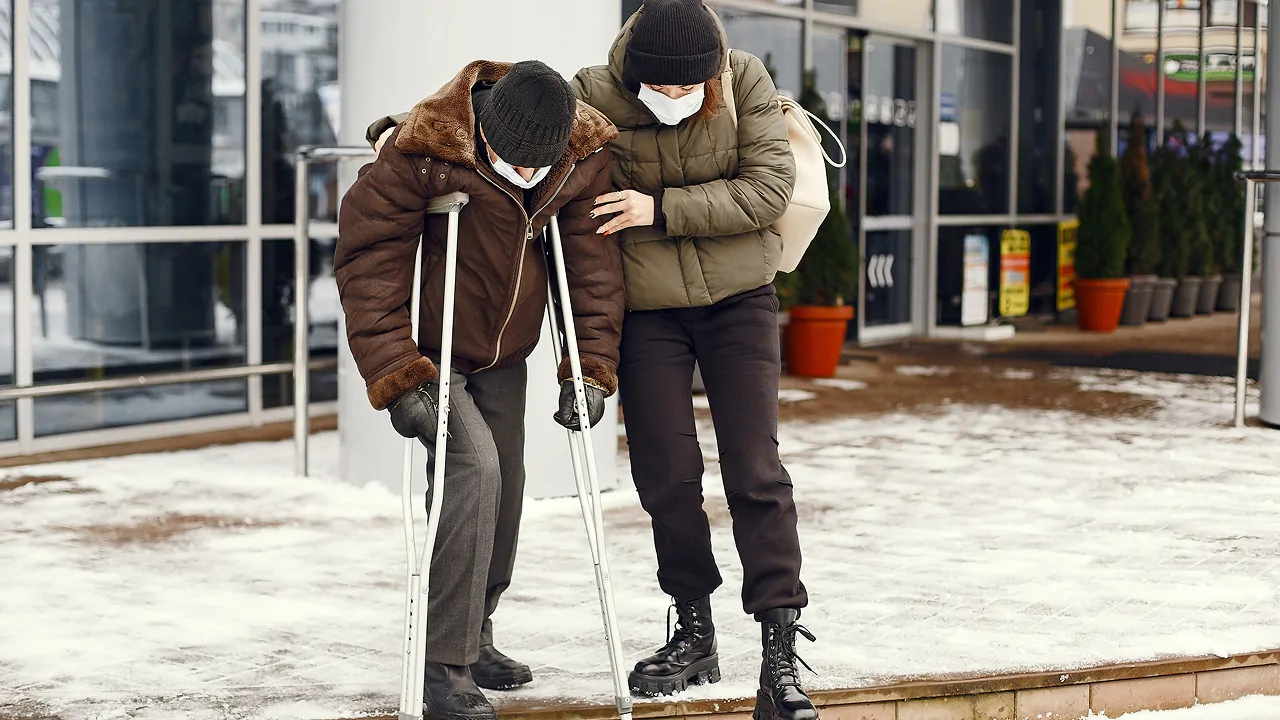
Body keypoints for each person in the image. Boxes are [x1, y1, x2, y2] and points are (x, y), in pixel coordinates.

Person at [369, 3, 812, 716]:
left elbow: (767, 191)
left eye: (687, 90)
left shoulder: (741, 80)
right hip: (635, 317)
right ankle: (692, 629)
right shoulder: (592, 96)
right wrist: (405, 132)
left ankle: (780, 647)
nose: (673, 102)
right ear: (631, 76)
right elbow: (504, 117)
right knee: (664, 478)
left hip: (737, 302)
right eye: (658, 91)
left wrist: (656, 213)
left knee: (755, 473)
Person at [338, 59, 624, 720]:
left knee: (509, 485)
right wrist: (395, 372)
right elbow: (368, 258)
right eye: (512, 163)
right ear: (485, 134)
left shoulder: (578, 156)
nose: (526, 176)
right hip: (432, 355)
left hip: (506, 354)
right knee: (475, 466)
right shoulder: (425, 150)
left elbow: (592, 270)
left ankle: (476, 628)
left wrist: (590, 369)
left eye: (537, 168)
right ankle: (445, 665)